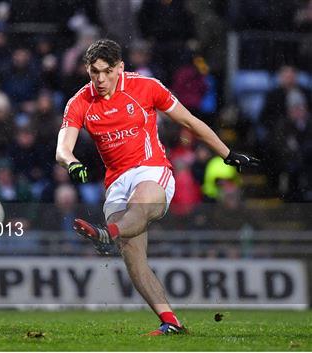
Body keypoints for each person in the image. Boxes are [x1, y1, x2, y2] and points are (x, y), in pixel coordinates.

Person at [55, 39, 260, 336]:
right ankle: (170, 321)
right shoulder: (79, 102)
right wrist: (71, 162)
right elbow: (63, 148)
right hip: (115, 183)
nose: (100, 79)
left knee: (136, 209)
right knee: (132, 254)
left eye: (107, 71)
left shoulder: (147, 88)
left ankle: (106, 233)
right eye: (94, 72)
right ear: (87, 70)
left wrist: (227, 154)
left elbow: (189, 121)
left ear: (120, 68)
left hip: (151, 170)